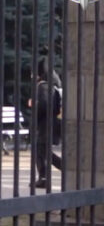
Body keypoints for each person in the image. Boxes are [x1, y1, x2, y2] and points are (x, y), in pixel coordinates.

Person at [29, 57, 63, 189]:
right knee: (40, 150)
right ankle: (42, 178)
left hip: (45, 125)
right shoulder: (50, 86)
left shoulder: (42, 87)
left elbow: (43, 105)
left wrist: (34, 105)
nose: (32, 75)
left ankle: (64, 168)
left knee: (43, 150)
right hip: (51, 123)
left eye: (33, 73)